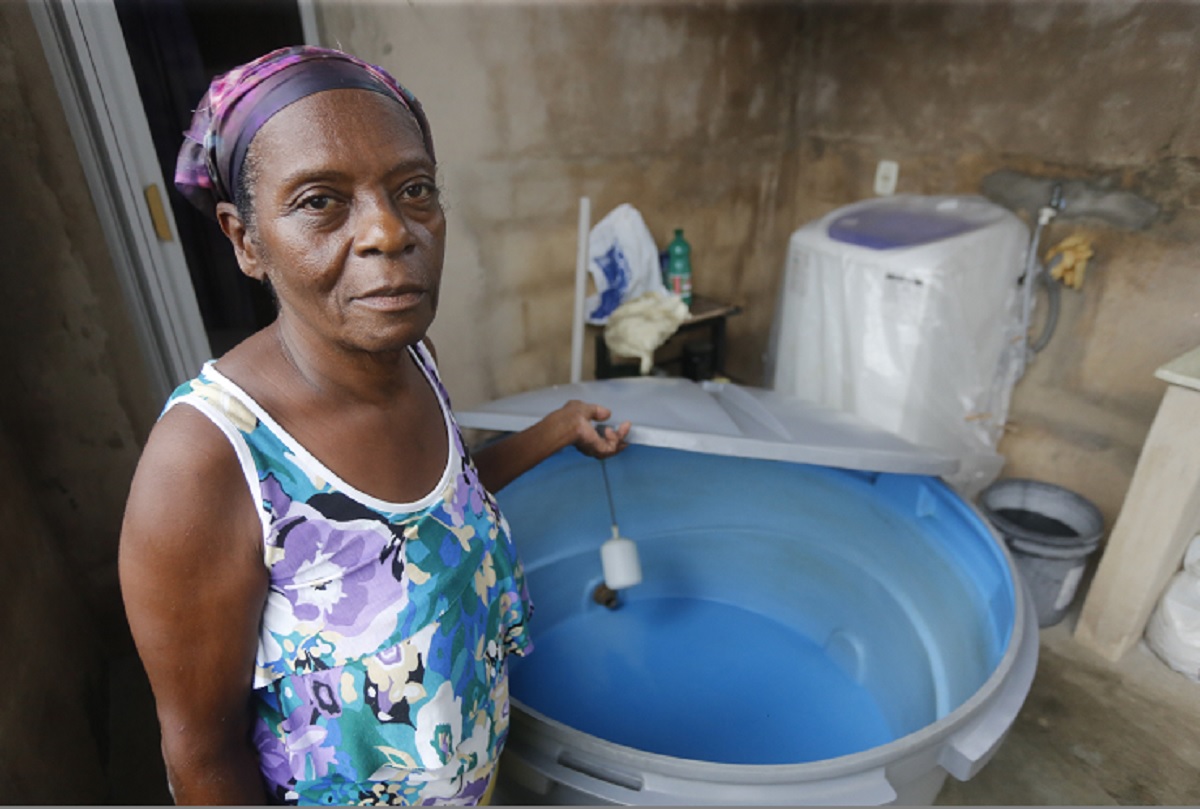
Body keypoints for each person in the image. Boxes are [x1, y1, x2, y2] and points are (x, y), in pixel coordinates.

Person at [118, 45, 630, 806]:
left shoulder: (412, 354)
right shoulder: (209, 461)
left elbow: (427, 523)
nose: (390, 233)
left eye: (414, 188)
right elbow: (201, 755)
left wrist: (553, 430)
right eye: (322, 200)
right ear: (244, 238)